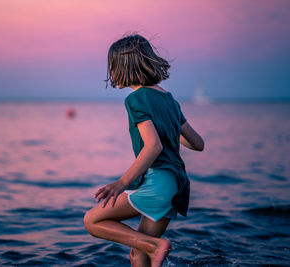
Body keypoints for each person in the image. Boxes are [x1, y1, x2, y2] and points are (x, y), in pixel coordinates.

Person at [83, 34, 204, 267]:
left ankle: (157, 246)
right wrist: (169, 130)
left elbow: (154, 146)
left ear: (123, 67)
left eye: (112, 66)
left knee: (92, 221)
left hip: (157, 183)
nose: (111, 72)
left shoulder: (136, 99)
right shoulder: (168, 99)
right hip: (176, 185)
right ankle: (154, 247)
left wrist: (121, 182)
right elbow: (198, 143)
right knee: (139, 252)